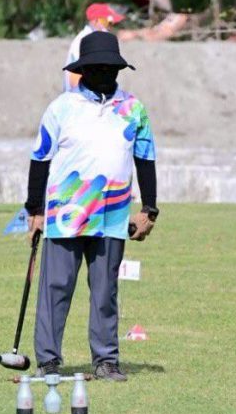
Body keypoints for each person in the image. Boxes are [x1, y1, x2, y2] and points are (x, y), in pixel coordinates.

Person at [25, 30, 158, 381]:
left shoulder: (133, 109)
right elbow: (40, 159)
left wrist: (150, 209)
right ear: (83, 69)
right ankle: (49, 360)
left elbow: (146, 159)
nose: (104, 73)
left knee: (105, 292)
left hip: (112, 215)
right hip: (65, 213)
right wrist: (34, 210)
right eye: (97, 67)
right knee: (56, 288)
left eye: (110, 67)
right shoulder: (62, 107)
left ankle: (106, 360)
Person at [65, 3, 126, 92]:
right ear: (96, 21)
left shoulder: (95, 39)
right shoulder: (85, 42)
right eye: (107, 22)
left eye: (111, 23)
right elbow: (75, 76)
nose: (110, 25)